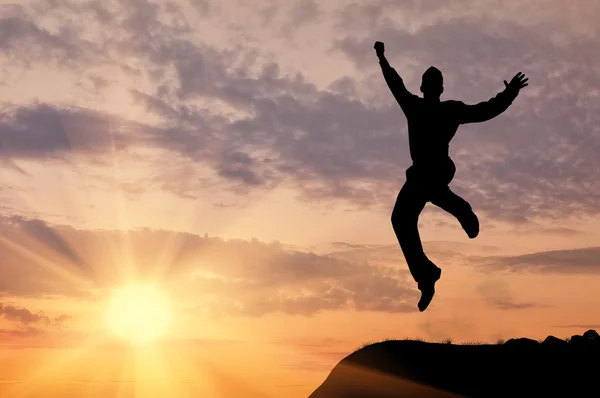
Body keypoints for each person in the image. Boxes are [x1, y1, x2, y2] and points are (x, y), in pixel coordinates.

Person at [374, 41, 528, 311]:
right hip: (424, 175)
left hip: (436, 170)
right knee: (400, 218)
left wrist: (509, 94)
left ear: (434, 89)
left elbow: (484, 110)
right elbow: (395, 83)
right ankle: (427, 276)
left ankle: (459, 208)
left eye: (433, 83)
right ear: (427, 88)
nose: (430, 87)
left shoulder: (440, 108)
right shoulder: (421, 107)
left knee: (417, 198)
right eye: (429, 83)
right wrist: (382, 59)